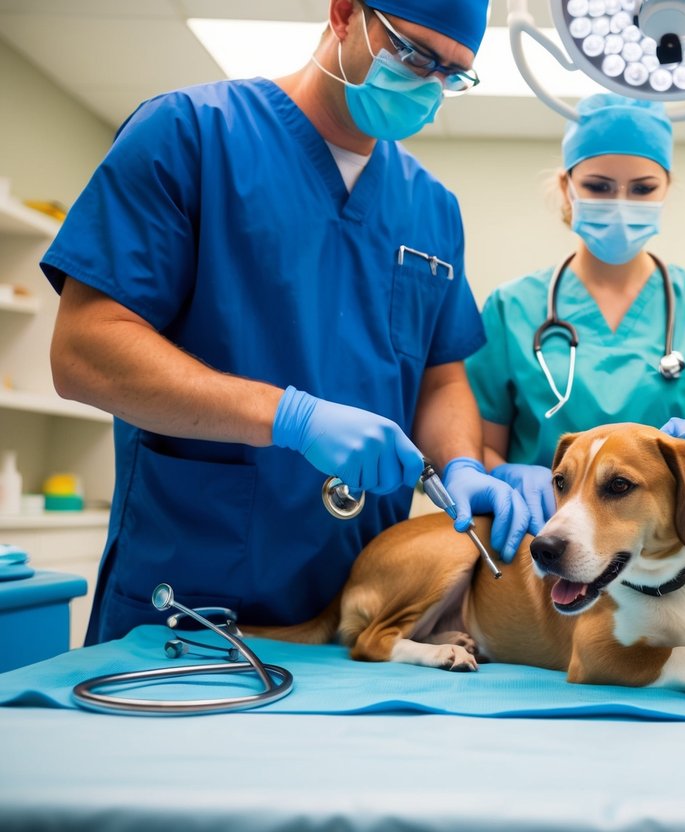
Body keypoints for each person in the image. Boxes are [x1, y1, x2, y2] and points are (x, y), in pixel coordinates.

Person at [40, 0, 529, 644]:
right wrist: (290, 419)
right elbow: (84, 351)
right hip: (193, 595)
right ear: (345, 13)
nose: (428, 85)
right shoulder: (188, 134)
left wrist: (463, 466)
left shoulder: (433, 208)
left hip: (368, 618)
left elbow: (442, 381)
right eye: (412, 53)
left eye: (451, 74)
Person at [466, 94, 685, 532]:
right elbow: (481, 448)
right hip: (543, 534)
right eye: (598, 186)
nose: (620, 202)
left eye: (642, 188)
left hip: (665, 550)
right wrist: (511, 476)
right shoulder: (511, 307)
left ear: (666, 187)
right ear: (566, 187)